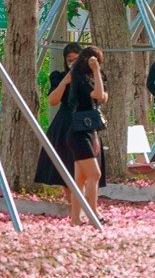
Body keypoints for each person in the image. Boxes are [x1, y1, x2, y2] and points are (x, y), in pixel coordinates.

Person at [34, 42, 82, 200]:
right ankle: (69, 200)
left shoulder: (89, 77)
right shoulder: (59, 76)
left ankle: (83, 201)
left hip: (83, 122)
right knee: (64, 161)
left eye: (77, 59)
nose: (73, 63)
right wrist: (65, 81)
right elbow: (53, 101)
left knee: (83, 163)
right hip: (64, 122)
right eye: (70, 60)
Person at [67, 45, 108, 225]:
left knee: (81, 179)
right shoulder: (80, 78)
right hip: (77, 134)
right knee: (95, 174)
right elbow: (99, 95)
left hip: (88, 132)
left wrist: (96, 138)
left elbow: (102, 98)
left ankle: (75, 219)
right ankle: (93, 214)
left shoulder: (89, 79)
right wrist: (96, 70)